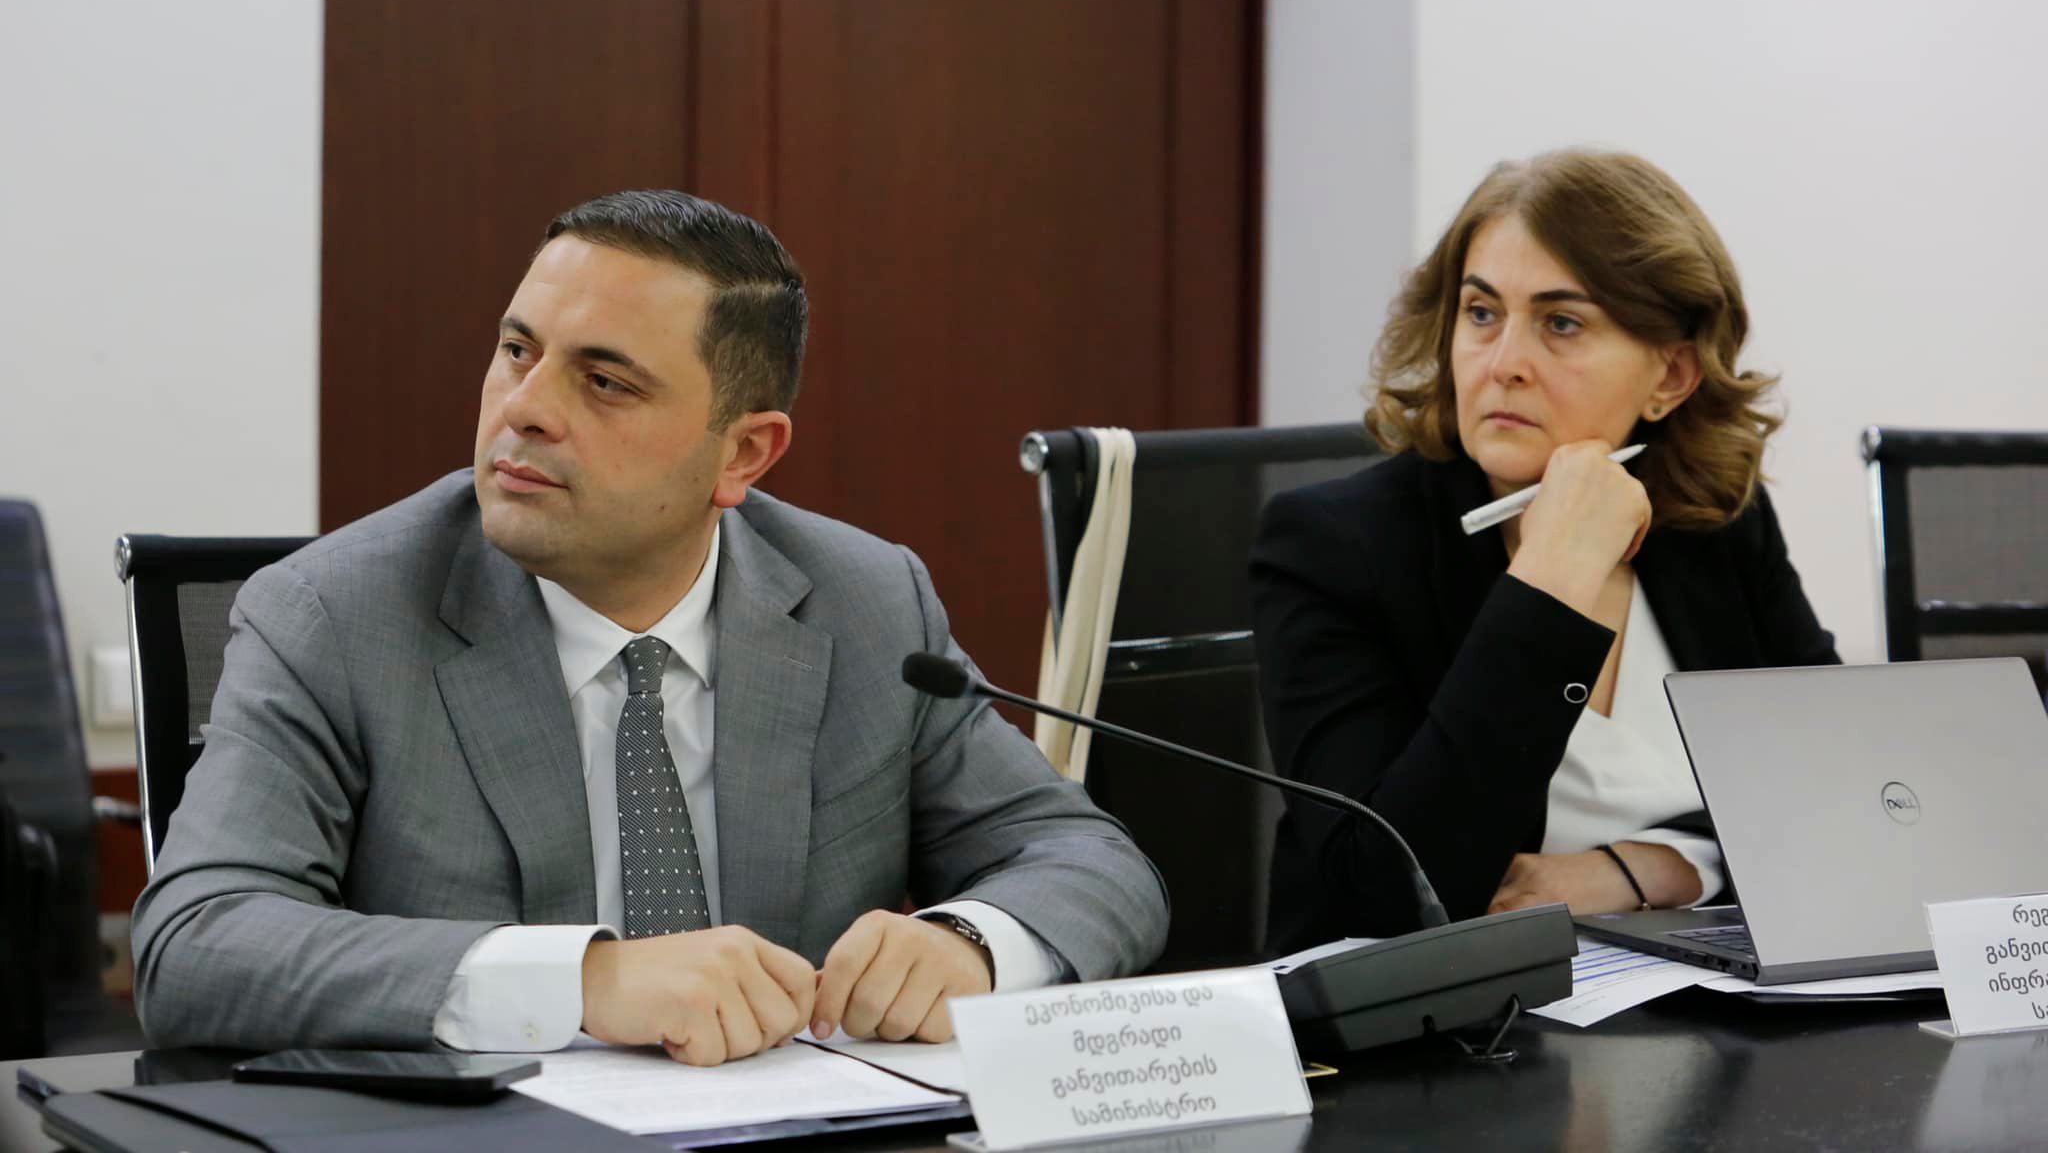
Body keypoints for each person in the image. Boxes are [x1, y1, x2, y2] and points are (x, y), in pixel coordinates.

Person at [132, 190, 1167, 1063]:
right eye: (516, 350)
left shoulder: (863, 600)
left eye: (604, 381)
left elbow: (1086, 860)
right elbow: (197, 941)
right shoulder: (336, 613)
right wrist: (583, 981)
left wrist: (968, 943)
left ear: (743, 455)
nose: (524, 408)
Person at [1251, 150, 1839, 951]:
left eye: (1561, 324)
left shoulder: (1715, 523)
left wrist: (1649, 869)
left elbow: (1833, 787)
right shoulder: (1335, 547)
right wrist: (1549, 581)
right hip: (1451, 1012)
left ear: (1670, 375)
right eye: (1481, 313)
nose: (1503, 365)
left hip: (1693, 992)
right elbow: (1388, 890)